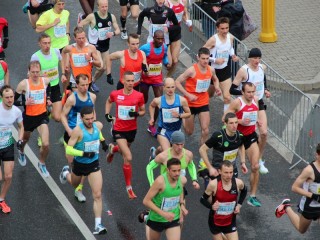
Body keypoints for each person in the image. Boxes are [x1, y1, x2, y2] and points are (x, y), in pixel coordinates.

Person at [59, 106, 108, 235]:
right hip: (79, 164)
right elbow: (69, 149)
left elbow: (98, 133)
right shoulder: (77, 131)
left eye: (92, 118)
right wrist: (84, 153)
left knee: (97, 194)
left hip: (94, 164)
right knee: (74, 184)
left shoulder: (97, 125)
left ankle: (98, 224)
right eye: (87, 119)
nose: (90, 121)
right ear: (81, 118)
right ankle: (66, 174)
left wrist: (103, 143)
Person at [105, 71, 145, 199]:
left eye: (132, 81)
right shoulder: (116, 94)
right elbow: (108, 101)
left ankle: (113, 149)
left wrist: (138, 114)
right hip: (118, 129)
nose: (130, 83)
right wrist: (107, 114)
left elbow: (143, 110)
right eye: (128, 81)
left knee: (124, 150)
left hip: (132, 130)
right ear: (123, 80)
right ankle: (129, 188)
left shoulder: (139, 95)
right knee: (128, 156)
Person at [230, 48, 270, 174]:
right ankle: (239, 156)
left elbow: (262, 80)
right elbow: (232, 89)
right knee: (245, 130)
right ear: (249, 58)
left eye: (259, 58)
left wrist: (266, 90)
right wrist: (246, 94)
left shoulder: (262, 68)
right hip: (246, 103)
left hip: (259, 102)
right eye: (254, 58)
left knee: (263, 133)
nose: (257, 61)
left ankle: (259, 159)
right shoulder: (244, 70)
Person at [61, 74, 96, 202]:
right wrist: (69, 130)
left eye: (87, 85)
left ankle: (79, 190)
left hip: (84, 135)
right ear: (77, 85)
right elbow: (62, 115)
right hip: (71, 134)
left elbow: (93, 114)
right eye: (82, 85)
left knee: (82, 164)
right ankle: (66, 173)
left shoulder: (92, 97)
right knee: (72, 162)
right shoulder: (72, 99)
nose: (85, 87)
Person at [224, 82, 261, 207]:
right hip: (236, 138)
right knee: (229, 167)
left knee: (255, 166)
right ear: (243, 92)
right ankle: (224, 191)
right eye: (248, 92)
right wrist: (239, 121)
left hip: (250, 137)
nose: (251, 94)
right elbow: (224, 118)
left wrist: (258, 122)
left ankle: (252, 196)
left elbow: (255, 115)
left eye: (252, 92)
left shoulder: (256, 100)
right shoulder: (237, 103)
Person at [175, 47, 221, 146]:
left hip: (203, 102)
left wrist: (217, 88)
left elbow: (215, 79)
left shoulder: (211, 69)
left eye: (207, 58)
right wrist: (188, 95)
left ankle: (202, 153)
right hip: (190, 104)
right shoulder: (191, 71)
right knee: (189, 132)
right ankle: (183, 116)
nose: (205, 61)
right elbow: (177, 82)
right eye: (203, 58)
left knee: (205, 130)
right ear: (198, 58)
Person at [14, 61, 52, 177]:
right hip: (29, 117)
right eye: (33, 72)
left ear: (40, 71)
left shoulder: (45, 81)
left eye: (37, 72)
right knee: (25, 140)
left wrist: (48, 98)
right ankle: (21, 151)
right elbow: (13, 102)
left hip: (42, 116)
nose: (35, 74)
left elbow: (49, 88)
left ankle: (41, 162)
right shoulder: (23, 84)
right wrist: (25, 102)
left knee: (45, 144)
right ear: (29, 72)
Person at [275, 143, 320, 234]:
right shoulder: (309, 170)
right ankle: (286, 207)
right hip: (310, 206)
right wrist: (313, 196)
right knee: (301, 229)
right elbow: (294, 188)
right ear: (317, 155)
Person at [78, 0, 121, 92]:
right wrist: (84, 39)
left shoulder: (111, 17)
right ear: (98, 7)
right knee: (100, 66)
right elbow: (80, 25)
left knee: (104, 68)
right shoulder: (92, 17)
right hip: (94, 46)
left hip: (105, 46)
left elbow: (118, 30)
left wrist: (113, 33)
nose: (105, 9)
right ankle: (89, 60)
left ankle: (92, 81)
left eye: (106, 6)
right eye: (102, 7)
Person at [200, 160, 247, 240]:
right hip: (215, 222)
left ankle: (224, 235)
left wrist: (239, 205)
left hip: (230, 221)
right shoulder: (213, 184)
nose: (229, 175)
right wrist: (212, 206)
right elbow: (202, 199)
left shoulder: (238, 183)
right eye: (226, 172)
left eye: (231, 172)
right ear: (220, 171)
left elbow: (244, 191)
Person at [143, 158, 188, 240]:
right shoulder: (160, 182)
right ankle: (147, 219)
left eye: (179, 170)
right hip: (157, 218)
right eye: (174, 171)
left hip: (173, 218)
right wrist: (164, 214)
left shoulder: (182, 180)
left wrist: (182, 205)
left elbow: (180, 192)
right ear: (168, 170)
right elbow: (146, 201)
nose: (177, 173)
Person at [199, 112, 247, 188]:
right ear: (225, 123)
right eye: (231, 123)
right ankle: (206, 177)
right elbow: (202, 149)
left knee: (232, 191)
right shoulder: (218, 136)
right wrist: (210, 168)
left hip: (232, 169)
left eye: (236, 122)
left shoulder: (239, 135)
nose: (234, 126)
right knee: (214, 196)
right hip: (218, 170)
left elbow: (241, 146)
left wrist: (243, 162)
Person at [203, 17, 238, 112]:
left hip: (224, 70)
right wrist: (214, 60)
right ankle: (200, 109)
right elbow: (201, 53)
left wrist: (233, 55)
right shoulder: (213, 40)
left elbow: (230, 48)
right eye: (222, 28)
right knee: (208, 95)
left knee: (227, 97)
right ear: (217, 28)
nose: (225, 31)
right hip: (212, 71)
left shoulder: (230, 37)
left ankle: (226, 123)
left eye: (227, 28)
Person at [140, 30, 170, 136]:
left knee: (159, 101)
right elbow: (138, 57)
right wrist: (143, 68)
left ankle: (152, 125)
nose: (161, 41)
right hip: (145, 78)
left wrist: (166, 63)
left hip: (157, 78)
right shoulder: (145, 47)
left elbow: (164, 57)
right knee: (144, 100)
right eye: (158, 38)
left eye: (162, 39)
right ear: (153, 38)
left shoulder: (164, 47)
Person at [149, 78, 190, 155]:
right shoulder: (158, 100)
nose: (170, 90)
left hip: (177, 131)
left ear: (175, 87)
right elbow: (151, 106)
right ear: (163, 87)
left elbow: (188, 114)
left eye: (172, 87)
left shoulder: (182, 100)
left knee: (167, 150)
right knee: (169, 154)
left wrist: (179, 115)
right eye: (168, 87)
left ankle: (155, 154)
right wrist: (152, 118)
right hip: (163, 131)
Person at [0, 85, 24, 213]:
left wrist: (20, 139)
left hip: (7, 145)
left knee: (8, 177)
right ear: (2, 98)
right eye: (7, 97)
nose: (10, 99)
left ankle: (1, 199)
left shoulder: (16, 111)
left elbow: (21, 126)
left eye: (11, 97)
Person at [30, 33, 62, 122]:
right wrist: (40, 76)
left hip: (55, 86)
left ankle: (50, 111)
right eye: (44, 43)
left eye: (49, 43)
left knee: (57, 118)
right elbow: (29, 74)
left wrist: (63, 73)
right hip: (42, 88)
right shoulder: (35, 57)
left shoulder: (56, 51)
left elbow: (61, 60)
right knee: (41, 117)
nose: (47, 45)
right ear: (39, 44)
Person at [61, 26, 101, 92]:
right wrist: (64, 69)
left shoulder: (91, 48)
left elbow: (99, 64)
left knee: (84, 98)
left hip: (86, 80)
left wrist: (90, 60)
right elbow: (63, 52)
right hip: (75, 79)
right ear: (75, 38)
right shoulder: (70, 48)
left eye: (83, 38)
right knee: (78, 97)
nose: (82, 40)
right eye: (79, 38)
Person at [165, 0, 192, 77]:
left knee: (175, 61)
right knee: (169, 64)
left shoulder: (183, 2)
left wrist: (188, 22)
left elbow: (184, 14)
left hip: (176, 33)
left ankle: (168, 77)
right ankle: (163, 76)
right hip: (167, 33)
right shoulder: (167, 3)